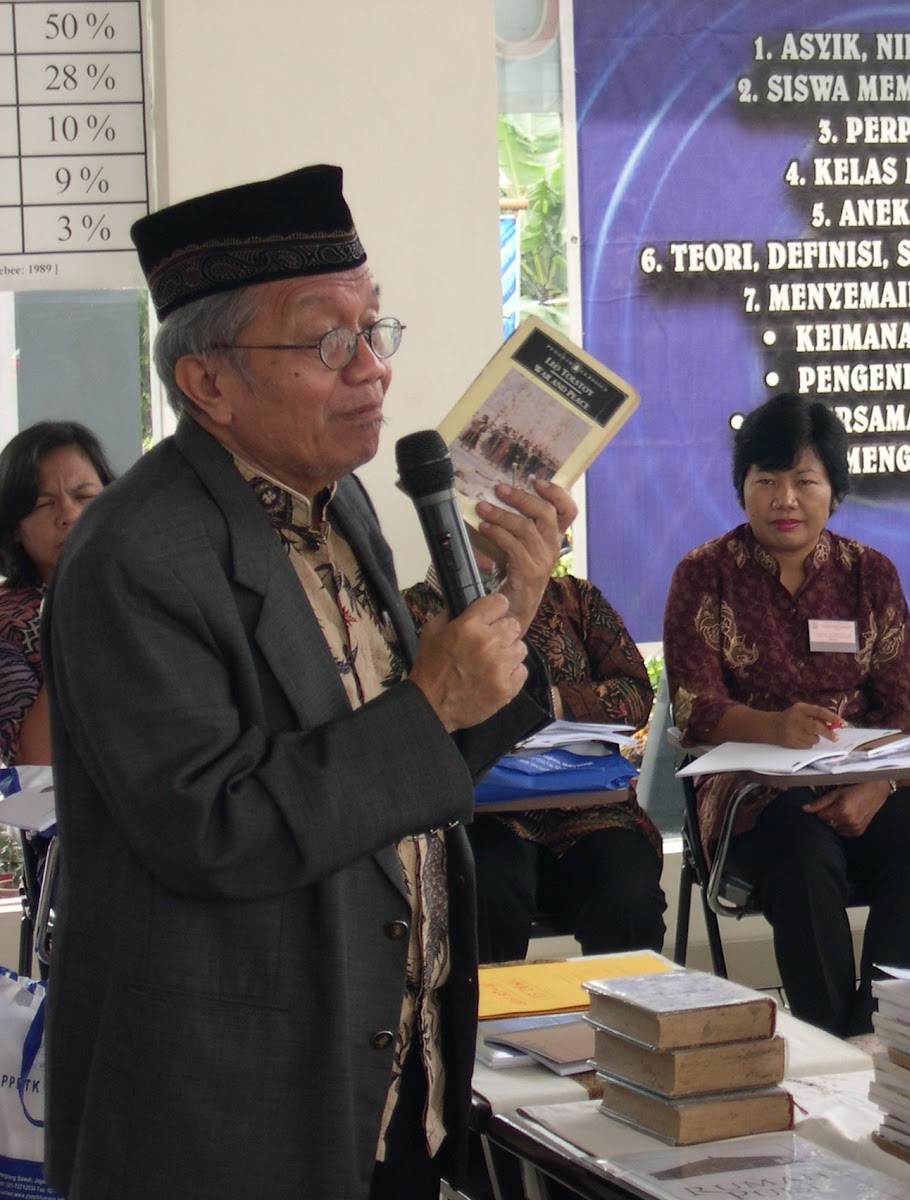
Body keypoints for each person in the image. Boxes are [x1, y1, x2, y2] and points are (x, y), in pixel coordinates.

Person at [42, 165, 574, 1200]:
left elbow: (408, 773)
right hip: (231, 1119)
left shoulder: (340, 508)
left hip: (388, 1087)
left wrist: (508, 608)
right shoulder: (137, 554)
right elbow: (213, 827)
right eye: (328, 341)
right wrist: (427, 701)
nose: (371, 369)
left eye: (376, 328)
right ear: (207, 382)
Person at [662, 393, 910, 1039]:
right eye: (766, 481)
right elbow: (694, 704)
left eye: (804, 481)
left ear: (834, 489)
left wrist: (876, 783)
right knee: (800, 852)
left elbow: (904, 701)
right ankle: (833, 1037)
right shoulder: (703, 575)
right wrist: (769, 727)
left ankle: (895, 1033)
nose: (784, 499)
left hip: (868, 777)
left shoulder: (868, 574)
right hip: (754, 792)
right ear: (743, 489)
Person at [411, 573, 668, 961]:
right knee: (486, 892)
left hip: (588, 805)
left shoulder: (574, 598)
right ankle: (488, 1021)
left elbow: (634, 696)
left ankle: (630, 1018)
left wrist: (547, 701)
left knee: (628, 896)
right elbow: (401, 712)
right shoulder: (417, 610)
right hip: (478, 811)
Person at [0, 421, 115, 767]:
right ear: (14, 527)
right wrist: (73, 626)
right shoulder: (7, 623)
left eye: (85, 497)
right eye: (42, 504)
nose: (69, 515)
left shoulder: (156, 587)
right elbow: (36, 761)